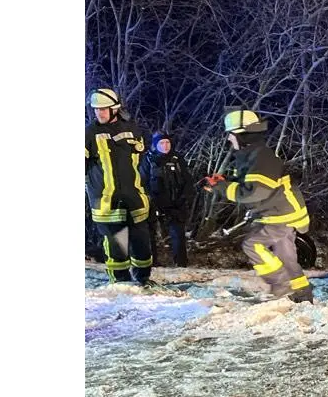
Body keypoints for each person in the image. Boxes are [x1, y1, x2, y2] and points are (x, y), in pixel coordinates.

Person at [203, 109, 315, 303]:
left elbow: (255, 192)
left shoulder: (260, 156)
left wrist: (221, 187)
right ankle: (302, 293)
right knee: (285, 254)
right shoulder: (255, 154)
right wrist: (225, 182)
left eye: (231, 134)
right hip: (284, 212)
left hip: (281, 215)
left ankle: (281, 285)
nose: (229, 139)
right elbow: (252, 184)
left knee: (253, 244)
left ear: (242, 134)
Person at [85, 87, 154, 285]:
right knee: (117, 245)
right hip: (106, 201)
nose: (99, 113)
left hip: (134, 198)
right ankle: (120, 282)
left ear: (115, 109)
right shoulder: (89, 134)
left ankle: (143, 279)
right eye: (96, 109)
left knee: (142, 244)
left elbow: (140, 160)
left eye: (104, 109)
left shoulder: (133, 129)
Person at [145, 132, 195, 266]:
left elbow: (187, 180)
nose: (165, 146)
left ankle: (181, 264)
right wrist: (150, 201)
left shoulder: (177, 159)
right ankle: (151, 263)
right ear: (155, 145)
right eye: (161, 143)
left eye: (167, 142)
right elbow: (143, 182)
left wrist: (184, 198)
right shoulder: (148, 160)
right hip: (155, 203)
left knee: (178, 234)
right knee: (150, 234)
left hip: (176, 203)